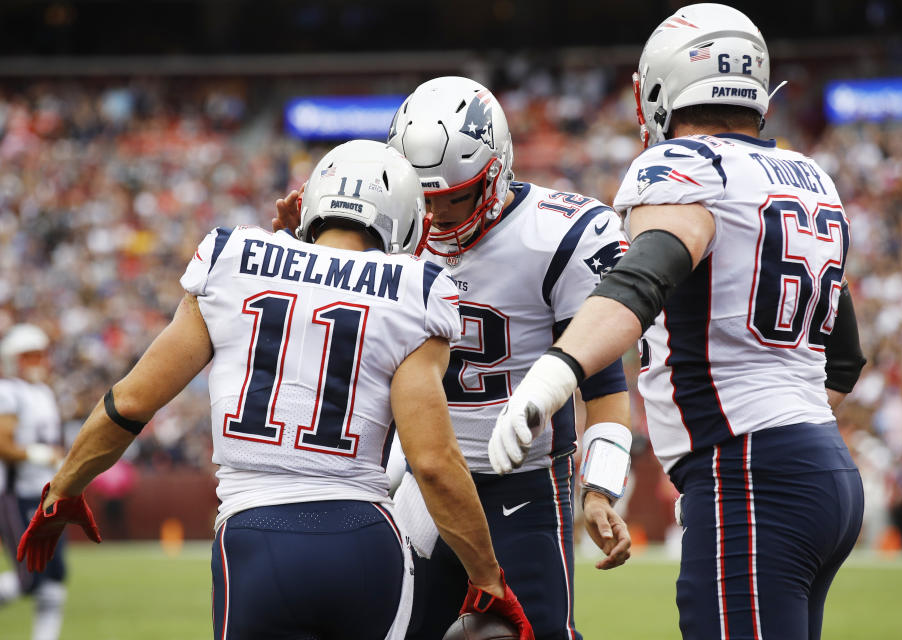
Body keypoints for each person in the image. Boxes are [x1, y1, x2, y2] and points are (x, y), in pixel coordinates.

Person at [17, 140, 533, 640]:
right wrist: (488, 578)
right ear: (404, 218)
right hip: (365, 539)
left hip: (255, 539)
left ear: (311, 203)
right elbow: (434, 463)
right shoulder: (417, 287)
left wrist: (63, 488)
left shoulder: (233, 257)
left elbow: (129, 403)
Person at [492, 4, 867, 639]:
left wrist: (555, 372)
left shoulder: (688, 166)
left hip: (751, 472)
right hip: (824, 467)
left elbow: (649, 271)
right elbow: (846, 356)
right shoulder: (809, 177)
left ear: (663, 89)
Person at [275, 76, 633, 640]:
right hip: (422, 478)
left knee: (535, 632)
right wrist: (303, 252)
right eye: (424, 200)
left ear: (495, 171)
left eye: (454, 197)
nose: (437, 218)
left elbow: (605, 385)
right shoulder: (386, 226)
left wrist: (600, 488)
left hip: (524, 482)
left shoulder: (559, 236)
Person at [0, 323, 67, 640]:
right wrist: (39, 455)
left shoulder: (44, 393)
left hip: (49, 496)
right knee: (30, 578)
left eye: (41, 354)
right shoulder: (8, 391)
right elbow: (3, 444)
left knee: (54, 581)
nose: (38, 361)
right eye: (30, 355)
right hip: (18, 494)